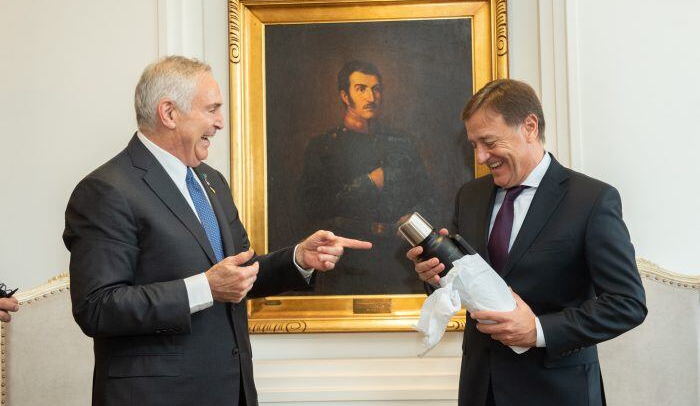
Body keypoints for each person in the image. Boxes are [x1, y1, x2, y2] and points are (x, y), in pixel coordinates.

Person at [64, 56, 372, 406]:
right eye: (212, 109)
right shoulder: (107, 190)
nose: (220, 123)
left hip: (231, 393)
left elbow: (237, 274)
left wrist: (299, 258)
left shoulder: (210, 181)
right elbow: (98, 307)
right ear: (169, 113)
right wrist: (204, 288)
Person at [407, 79, 647, 406]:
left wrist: (538, 330)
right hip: (482, 391)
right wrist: (434, 277)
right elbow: (464, 286)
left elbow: (627, 303)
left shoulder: (592, 200)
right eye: (473, 144)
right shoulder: (470, 196)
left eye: (488, 142)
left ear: (530, 126)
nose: (479, 156)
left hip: (559, 392)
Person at [299, 60, 433, 295]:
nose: (371, 97)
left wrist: (413, 216)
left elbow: (430, 197)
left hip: (398, 257)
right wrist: (369, 183)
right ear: (344, 95)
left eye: (376, 88)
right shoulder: (323, 147)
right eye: (361, 88)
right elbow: (312, 207)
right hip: (345, 260)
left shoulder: (402, 143)